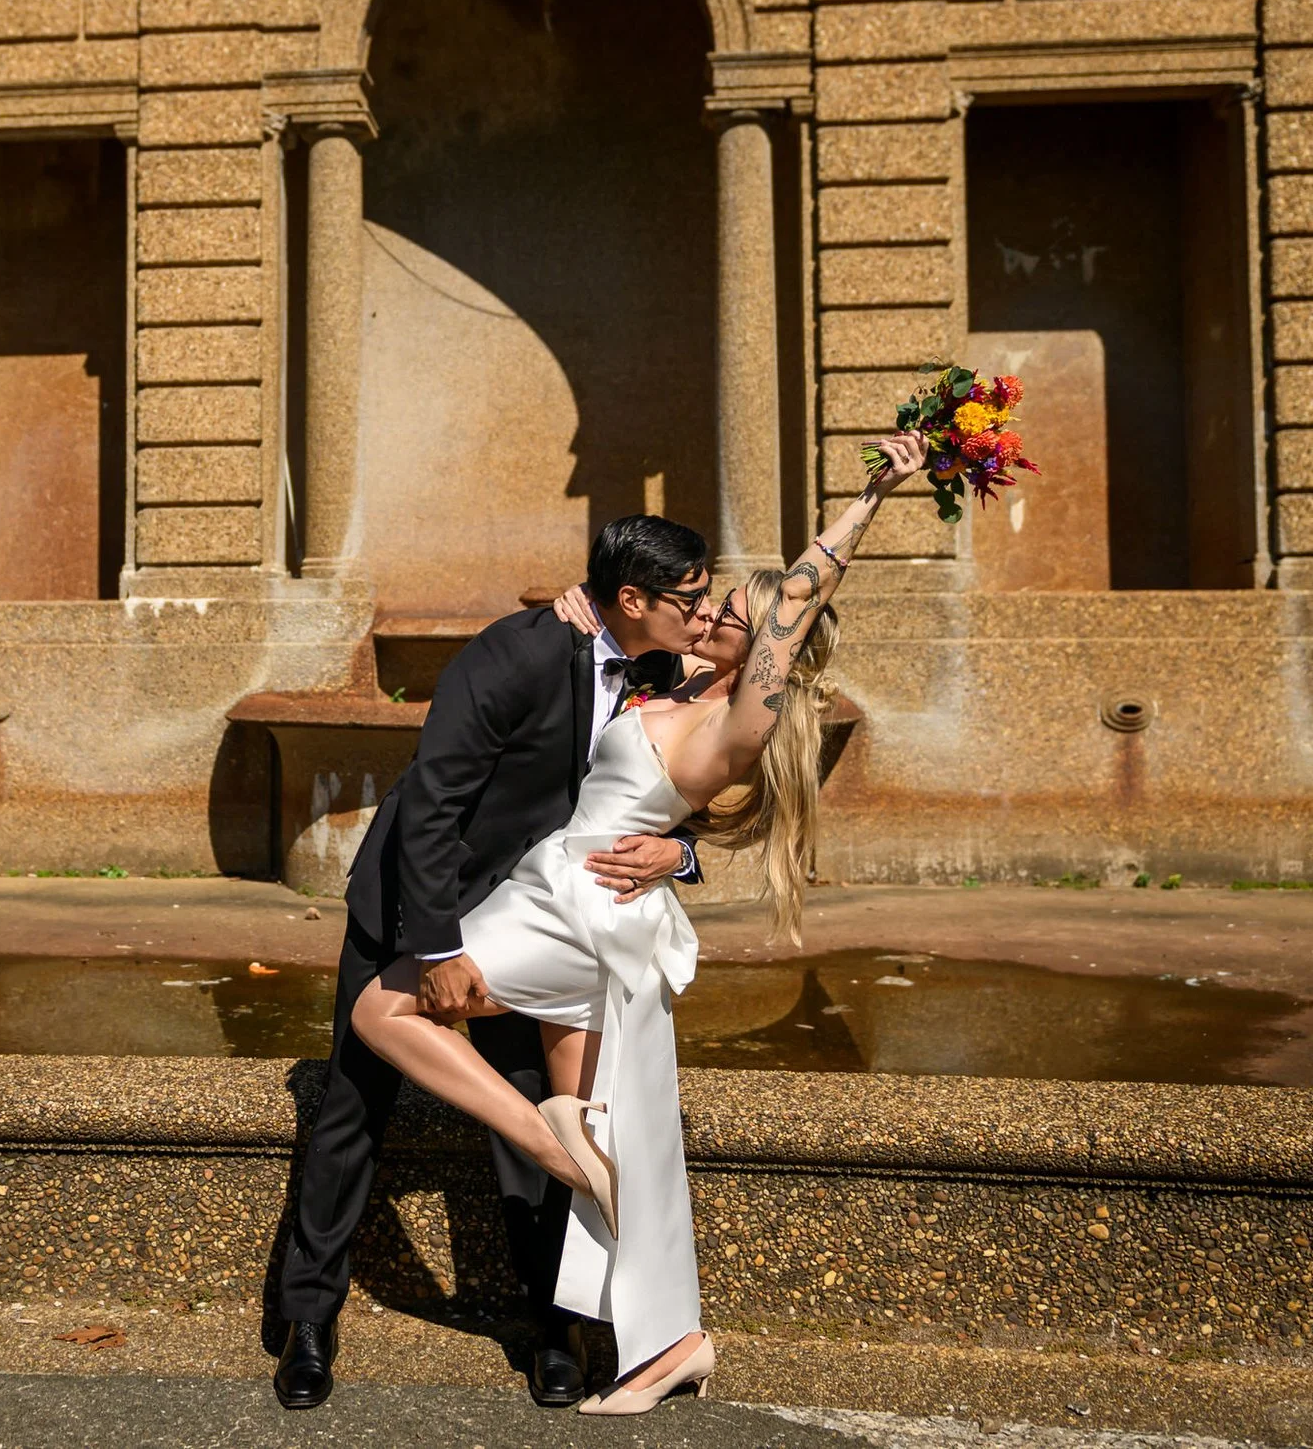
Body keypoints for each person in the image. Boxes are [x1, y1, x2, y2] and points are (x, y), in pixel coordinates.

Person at [349, 427, 930, 1414]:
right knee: (612, 1141)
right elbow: (605, 666)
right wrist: (577, 603)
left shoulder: (741, 716)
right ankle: (669, 1342)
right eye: (703, 602)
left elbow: (799, 594)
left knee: (384, 1010)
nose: (708, 613)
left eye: (728, 614)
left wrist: (873, 494)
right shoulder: (675, 680)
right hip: (576, 901)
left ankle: (549, 1147)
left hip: (577, 909)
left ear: (768, 651)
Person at [271, 516, 716, 1410]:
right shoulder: (516, 653)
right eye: (690, 596)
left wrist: (683, 854)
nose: (704, 612)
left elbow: (684, 792)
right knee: (352, 1107)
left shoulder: (666, 667)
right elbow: (432, 798)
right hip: (419, 905)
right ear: (632, 599)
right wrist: (435, 945)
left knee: (538, 1106)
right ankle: (307, 1321)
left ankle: (552, 1329)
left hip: (535, 917)